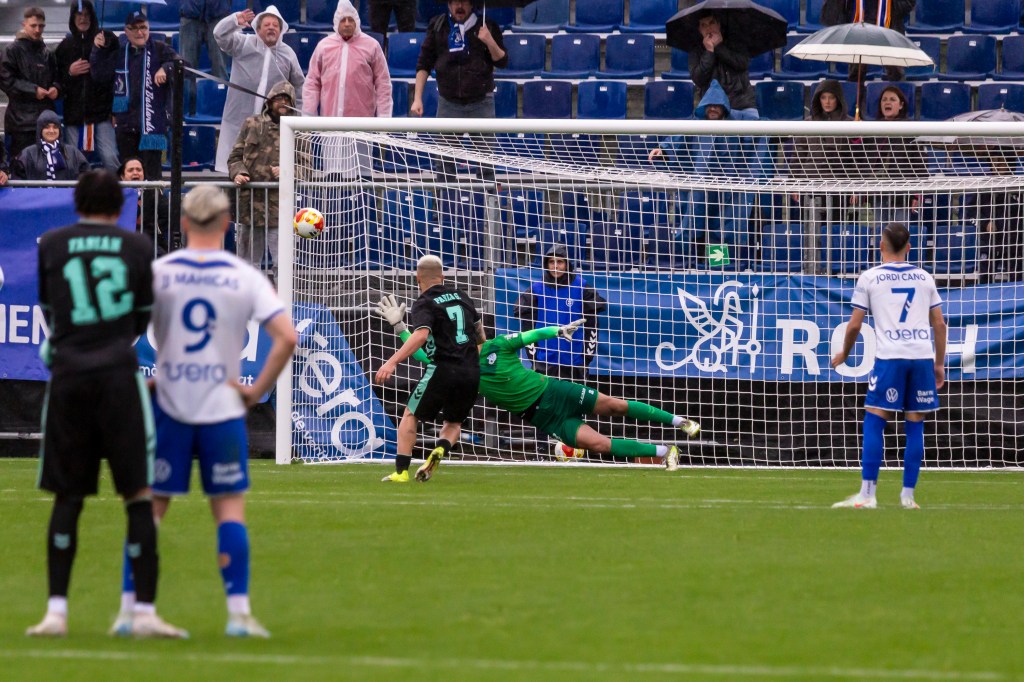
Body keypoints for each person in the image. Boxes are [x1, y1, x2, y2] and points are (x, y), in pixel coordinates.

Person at [111, 185, 297, 638]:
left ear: (183, 223)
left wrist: (143, 379)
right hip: (221, 405)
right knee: (229, 510)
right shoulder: (243, 275)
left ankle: (128, 611)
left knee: (150, 510)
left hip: (169, 404)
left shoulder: (159, 271)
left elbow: (118, 334)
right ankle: (237, 615)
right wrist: (254, 395)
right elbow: (287, 338)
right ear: (228, 223)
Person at [28, 170, 186, 638]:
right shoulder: (138, 248)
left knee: (67, 496)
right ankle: (144, 613)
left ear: (76, 203)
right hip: (119, 377)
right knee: (138, 497)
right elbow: (143, 315)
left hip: (70, 378)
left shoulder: (51, 244)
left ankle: (56, 611)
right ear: (119, 207)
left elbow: (49, 309)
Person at [377, 297, 701, 469]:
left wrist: (558, 331)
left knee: (613, 405)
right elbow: (422, 354)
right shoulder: (457, 367)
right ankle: (664, 452)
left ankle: (679, 421)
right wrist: (399, 326)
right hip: (542, 416)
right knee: (599, 444)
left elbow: (530, 335)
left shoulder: (497, 345)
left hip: (555, 391)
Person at [831, 223, 946, 510]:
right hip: (921, 356)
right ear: (909, 247)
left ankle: (867, 495)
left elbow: (855, 324)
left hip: (890, 356)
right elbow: (940, 324)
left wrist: (844, 354)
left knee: (875, 419)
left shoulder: (870, 278)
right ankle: (908, 497)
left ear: (881, 246)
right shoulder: (924, 277)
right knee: (915, 425)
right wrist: (940, 364)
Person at [374, 255, 482, 483]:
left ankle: (401, 472)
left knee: (411, 415)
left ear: (417, 278)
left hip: (443, 369)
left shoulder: (424, 302)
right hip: (472, 371)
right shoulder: (464, 297)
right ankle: (441, 448)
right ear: (443, 277)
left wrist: (392, 361)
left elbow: (421, 335)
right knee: (453, 423)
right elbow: (481, 337)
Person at [90, 11, 182, 181]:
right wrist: (97, 50)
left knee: (152, 176)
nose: (140, 32)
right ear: (126, 31)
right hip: (126, 125)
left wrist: (166, 68)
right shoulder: (119, 51)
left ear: (149, 28)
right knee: (128, 175)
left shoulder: (160, 48)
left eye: (143, 28)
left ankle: (151, 207)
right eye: (135, 28)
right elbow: (99, 75)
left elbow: (183, 66)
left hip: (152, 125)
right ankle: (132, 208)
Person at [213, 4, 304, 173]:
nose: (271, 28)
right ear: (258, 28)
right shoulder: (242, 43)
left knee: (264, 171)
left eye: (275, 25)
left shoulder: (288, 53)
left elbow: (298, 86)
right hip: (239, 117)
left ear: (281, 30)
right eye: (267, 25)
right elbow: (219, 35)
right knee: (235, 168)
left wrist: (298, 115)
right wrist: (234, 21)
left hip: (272, 123)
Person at [227, 80, 295, 279]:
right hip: (249, 208)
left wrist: (287, 172)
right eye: (279, 98)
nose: (282, 103)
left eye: (287, 99)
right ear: (270, 100)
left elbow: (306, 167)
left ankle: (281, 305)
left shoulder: (299, 129)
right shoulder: (251, 124)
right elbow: (234, 157)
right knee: (247, 266)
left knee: (282, 266)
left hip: (279, 210)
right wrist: (238, 173)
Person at [514, 244, 606, 384]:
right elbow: (527, 326)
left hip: (574, 361)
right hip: (544, 362)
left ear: (567, 264)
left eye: (560, 262)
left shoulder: (582, 287)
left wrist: (586, 358)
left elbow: (592, 326)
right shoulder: (536, 289)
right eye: (551, 262)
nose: (555, 266)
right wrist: (534, 358)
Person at [411, 0, 507, 118]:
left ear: (471, 4)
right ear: (449, 4)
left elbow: (502, 62)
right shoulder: (438, 25)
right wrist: (417, 99)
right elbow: (423, 64)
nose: (460, 6)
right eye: (456, 2)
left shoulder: (487, 25)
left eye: (465, 2)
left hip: (481, 103)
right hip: (448, 103)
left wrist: (489, 41)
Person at [54, 0, 119, 173]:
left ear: (93, 18)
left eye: (87, 15)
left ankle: (117, 197)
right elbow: (56, 81)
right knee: (70, 164)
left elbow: (112, 75)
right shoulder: (63, 47)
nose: (83, 19)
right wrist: (69, 72)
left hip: (102, 114)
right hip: (73, 116)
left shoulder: (107, 40)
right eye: (79, 15)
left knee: (111, 159)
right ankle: (71, 198)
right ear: (72, 18)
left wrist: (102, 48)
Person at [303, 0, 391, 118]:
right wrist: (308, 115)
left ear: (357, 22)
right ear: (336, 23)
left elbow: (383, 84)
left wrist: (384, 118)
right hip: (330, 124)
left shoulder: (372, 46)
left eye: (351, 20)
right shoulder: (323, 47)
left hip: (362, 124)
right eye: (343, 20)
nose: (347, 23)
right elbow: (312, 83)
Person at [0, 7, 61, 159]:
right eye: (33, 26)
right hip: (20, 123)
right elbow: (6, 81)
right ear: (24, 24)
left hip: (45, 122)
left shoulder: (47, 53)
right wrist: (33, 90)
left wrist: (56, 88)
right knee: (20, 163)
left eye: (41, 26)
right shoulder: (12, 51)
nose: (37, 30)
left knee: (47, 164)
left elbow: (58, 78)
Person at [823, 0, 916, 83]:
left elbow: (907, 5)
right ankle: (855, 101)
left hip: (889, 28)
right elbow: (832, 12)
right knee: (856, 75)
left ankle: (896, 101)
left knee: (896, 74)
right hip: (857, 29)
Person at [687, 12, 758, 120]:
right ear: (699, 30)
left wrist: (719, 47)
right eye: (703, 25)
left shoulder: (737, 42)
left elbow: (742, 64)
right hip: (711, 108)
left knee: (753, 131)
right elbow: (698, 79)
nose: (708, 28)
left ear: (719, 24)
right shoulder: (695, 51)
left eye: (711, 23)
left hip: (741, 105)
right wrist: (709, 51)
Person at [12, 110, 91, 181]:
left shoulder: (73, 152)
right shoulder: (27, 154)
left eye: (55, 127)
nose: (51, 131)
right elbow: (17, 180)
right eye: (47, 127)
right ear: (40, 130)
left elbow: (86, 175)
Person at [180, 0, 230, 109]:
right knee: (187, 69)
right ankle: (188, 108)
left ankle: (221, 106)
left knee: (219, 67)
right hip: (190, 15)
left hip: (218, 16)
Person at [119, 156, 172, 254]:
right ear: (122, 176)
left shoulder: (154, 191)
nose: (135, 173)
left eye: (139, 170)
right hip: (121, 242)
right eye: (130, 170)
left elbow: (166, 216)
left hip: (149, 241)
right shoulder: (115, 194)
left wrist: (151, 231)